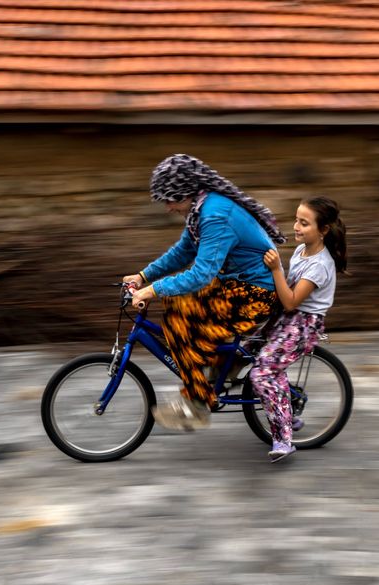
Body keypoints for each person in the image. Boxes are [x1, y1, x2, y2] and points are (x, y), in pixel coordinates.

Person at [123, 154, 286, 431]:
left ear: (184, 192)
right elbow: (182, 252)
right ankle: (227, 361)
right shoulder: (199, 211)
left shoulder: (214, 216)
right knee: (177, 308)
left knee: (178, 323)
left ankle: (197, 403)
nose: (167, 207)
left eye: (169, 199)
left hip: (258, 295)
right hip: (237, 286)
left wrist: (151, 291)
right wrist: (143, 276)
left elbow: (201, 275)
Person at [249, 196, 347, 462]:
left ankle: (283, 438)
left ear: (323, 230)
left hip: (303, 324)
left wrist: (276, 269)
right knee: (245, 348)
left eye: (304, 223)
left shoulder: (320, 265)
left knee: (262, 373)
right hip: (286, 317)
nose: (296, 227)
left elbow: (291, 301)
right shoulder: (301, 251)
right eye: (296, 220)